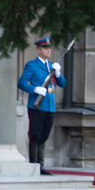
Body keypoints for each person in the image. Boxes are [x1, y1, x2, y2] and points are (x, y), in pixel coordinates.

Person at [18, 37, 67, 175]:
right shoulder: (31, 65)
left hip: (50, 106)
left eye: (49, 48)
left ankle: (41, 165)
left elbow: (62, 83)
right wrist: (35, 89)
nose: (49, 50)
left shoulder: (52, 66)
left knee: (44, 135)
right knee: (35, 135)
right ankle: (34, 164)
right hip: (37, 106)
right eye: (45, 48)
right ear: (39, 50)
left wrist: (57, 73)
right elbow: (22, 83)